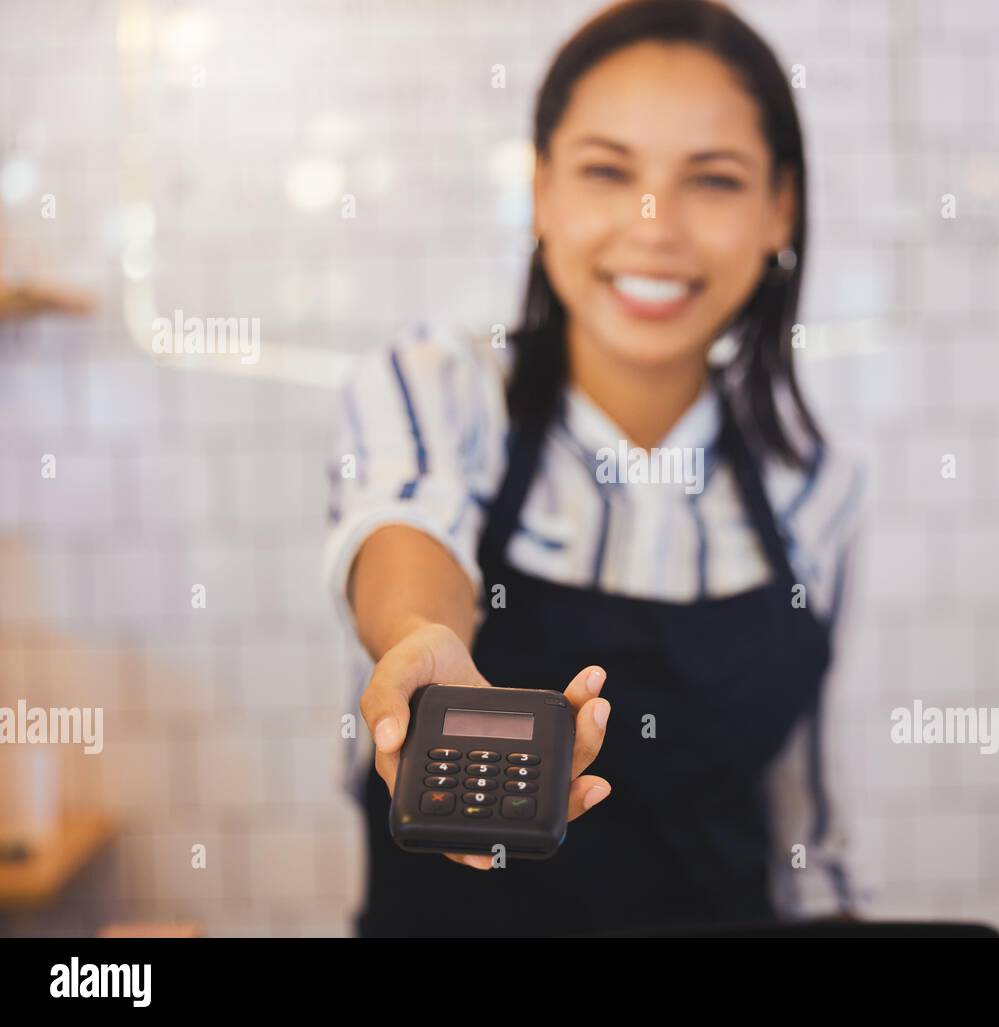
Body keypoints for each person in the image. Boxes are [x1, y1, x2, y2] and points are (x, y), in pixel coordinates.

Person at [324, 0, 868, 937]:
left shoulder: (815, 483)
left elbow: (804, 818)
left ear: (781, 206)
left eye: (714, 180)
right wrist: (418, 633)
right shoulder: (439, 390)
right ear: (542, 191)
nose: (654, 228)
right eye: (608, 172)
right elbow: (407, 522)